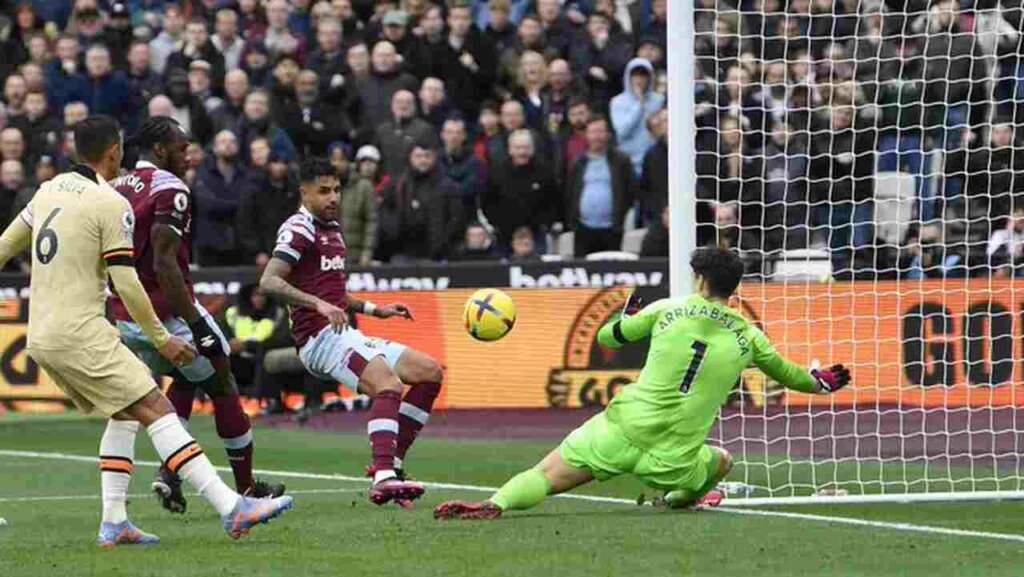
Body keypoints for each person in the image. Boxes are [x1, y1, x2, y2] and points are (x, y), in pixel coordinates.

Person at [0, 115, 292, 545]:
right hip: (83, 332)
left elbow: (5, 246)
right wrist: (162, 337)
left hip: (41, 334)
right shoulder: (108, 202)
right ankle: (233, 507)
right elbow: (127, 280)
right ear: (115, 150)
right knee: (157, 407)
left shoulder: (48, 190)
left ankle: (115, 522)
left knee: (125, 413)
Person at [435, 247, 851, 520]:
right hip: (672, 459)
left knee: (543, 475)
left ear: (700, 280)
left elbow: (606, 338)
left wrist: (625, 317)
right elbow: (793, 377)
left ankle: (496, 503)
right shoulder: (750, 338)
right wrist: (823, 383)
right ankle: (679, 497)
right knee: (721, 461)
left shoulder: (667, 309)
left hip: (620, 430)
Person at [111, 117, 285, 513]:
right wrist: (195, 321)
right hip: (164, 313)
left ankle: (169, 474)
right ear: (160, 150)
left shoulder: (117, 187)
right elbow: (165, 264)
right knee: (222, 383)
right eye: (182, 146)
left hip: (125, 315)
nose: (189, 154)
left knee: (190, 374)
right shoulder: (170, 188)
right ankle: (248, 489)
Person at [259, 157, 447, 506]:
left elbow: (335, 293)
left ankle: (393, 465)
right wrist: (317, 305)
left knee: (429, 372)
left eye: (337, 190)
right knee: (388, 385)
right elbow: (269, 281)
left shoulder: (332, 230)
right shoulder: (299, 229)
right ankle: (383, 476)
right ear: (304, 192)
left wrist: (377, 310)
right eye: (324, 191)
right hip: (318, 339)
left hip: (342, 332)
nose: (333, 198)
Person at [566, 116, 635, 257]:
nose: (596, 136)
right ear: (586, 135)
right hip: (583, 229)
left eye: (600, 131)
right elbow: (570, 192)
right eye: (592, 132)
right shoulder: (578, 163)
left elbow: (630, 191)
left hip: (612, 229)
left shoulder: (621, 161)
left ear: (608, 134)